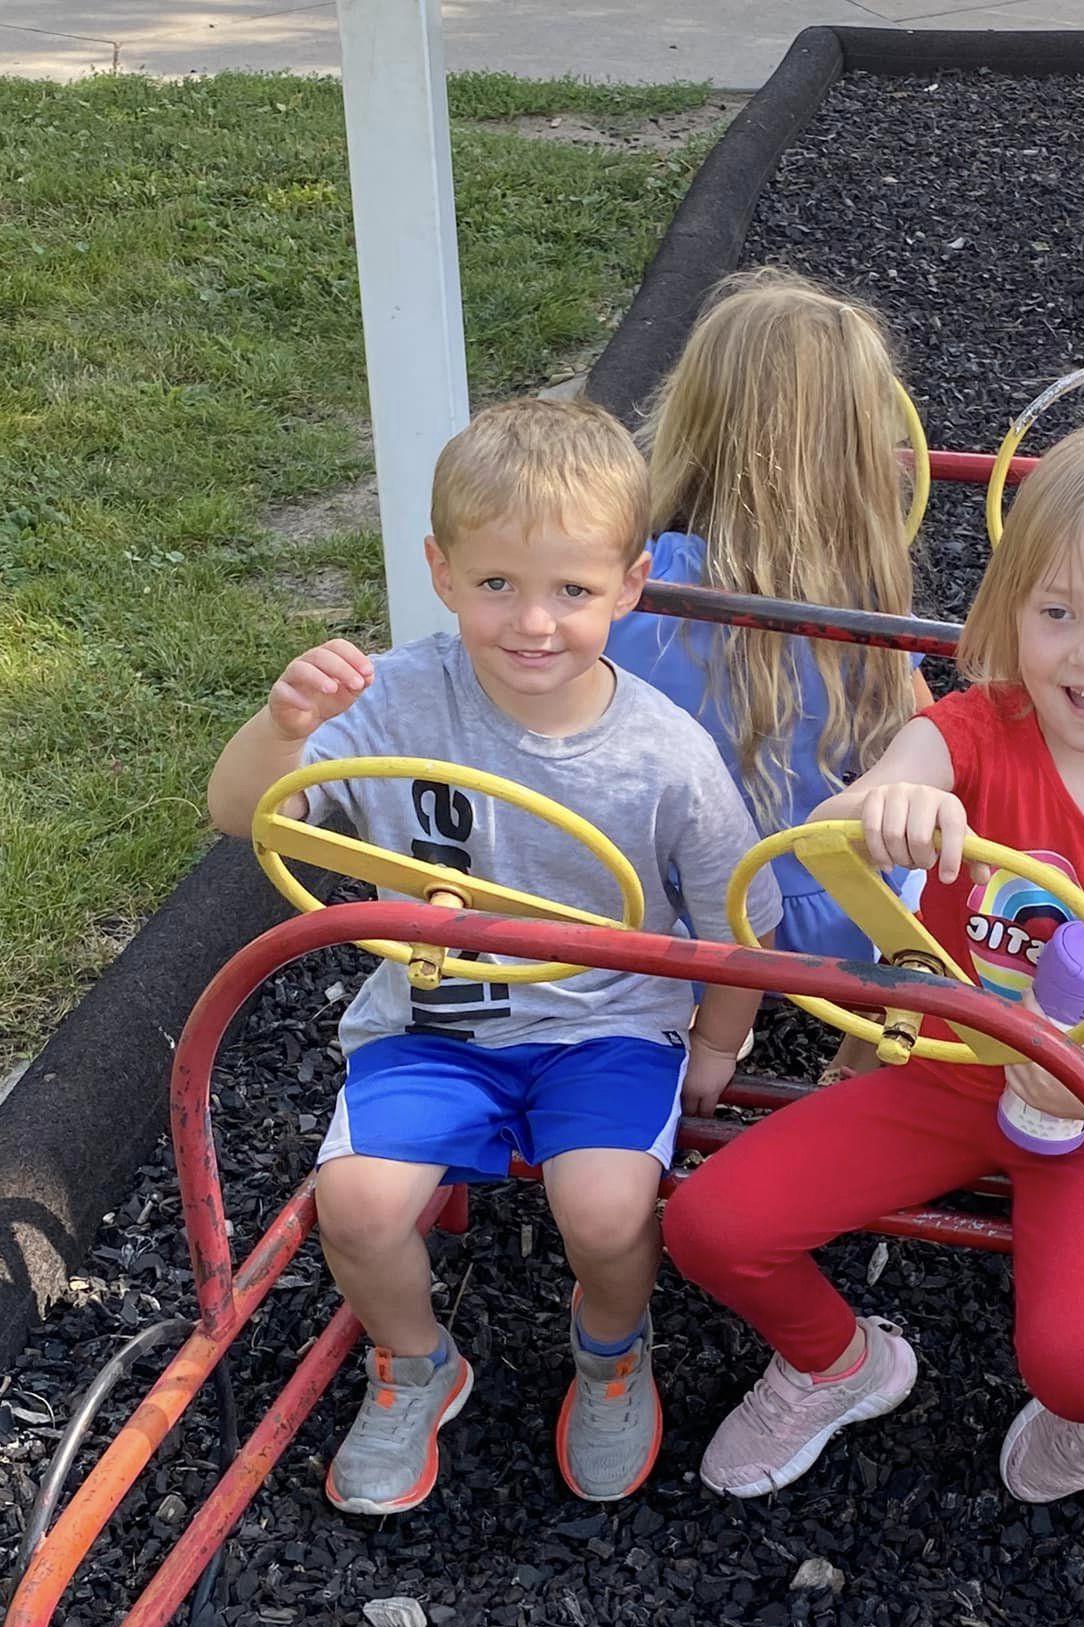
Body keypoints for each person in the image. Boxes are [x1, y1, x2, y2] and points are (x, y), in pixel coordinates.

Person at [663, 421, 1084, 1506]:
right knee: (711, 1222)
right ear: (1011, 613)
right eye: (1057, 613)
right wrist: (887, 801)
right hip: (950, 1060)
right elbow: (882, 793)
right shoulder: (977, 733)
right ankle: (839, 1361)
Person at [208, 397, 781, 1514]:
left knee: (606, 1208)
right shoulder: (396, 700)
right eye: (498, 585)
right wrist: (282, 727)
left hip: (606, 1023)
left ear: (631, 583)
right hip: (437, 1018)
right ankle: (417, 1361)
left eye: (573, 590)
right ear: (441, 568)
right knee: (358, 1203)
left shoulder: (667, 754)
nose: (534, 622)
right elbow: (245, 815)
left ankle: (613, 1349)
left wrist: (722, 1037)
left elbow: (731, 916)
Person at [604, 268, 931, 1074]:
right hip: (840, 915)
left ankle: (686, 1026)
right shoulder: (863, 598)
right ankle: (870, 1053)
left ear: (691, 416)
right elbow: (921, 732)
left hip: (665, 918)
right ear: (860, 448)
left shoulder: (634, 587)